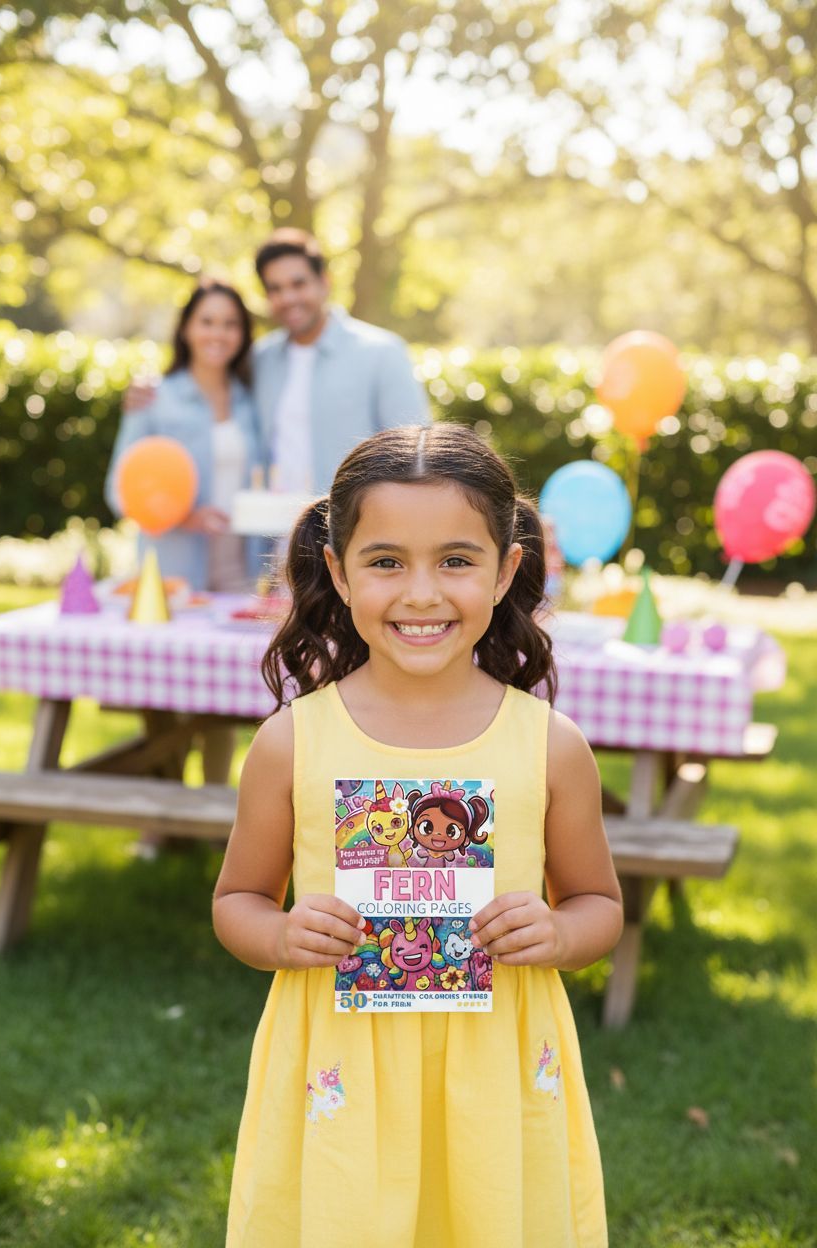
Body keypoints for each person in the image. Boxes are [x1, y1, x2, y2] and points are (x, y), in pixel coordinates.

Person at [213, 423, 623, 1246]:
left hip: (495, 1071)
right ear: (338, 569)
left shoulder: (549, 744)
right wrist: (283, 932)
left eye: (457, 561)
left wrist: (559, 930)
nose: (422, 594)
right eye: (387, 561)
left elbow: (598, 903)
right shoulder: (293, 742)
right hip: (342, 1073)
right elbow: (237, 900)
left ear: (508, 569)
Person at [105, 279, 261, 783]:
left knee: (225, 695)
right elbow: (119, 490)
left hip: (238, 565)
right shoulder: (155, 398)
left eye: (231, 323)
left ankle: (215, 809)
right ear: (187, 329)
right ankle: (160, 824)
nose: (219, 332)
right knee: (163, 695)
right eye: (208, 320)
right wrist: (183, 513)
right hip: (173, 566)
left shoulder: (248, 399)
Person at [253, 230, 429, 495]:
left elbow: (417, 455)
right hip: (270, 532)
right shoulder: (261, 359)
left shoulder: (381, 352)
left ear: (324, 282)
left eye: (298, 284)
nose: (288, 298)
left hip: (348, 531)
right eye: (275, 289)